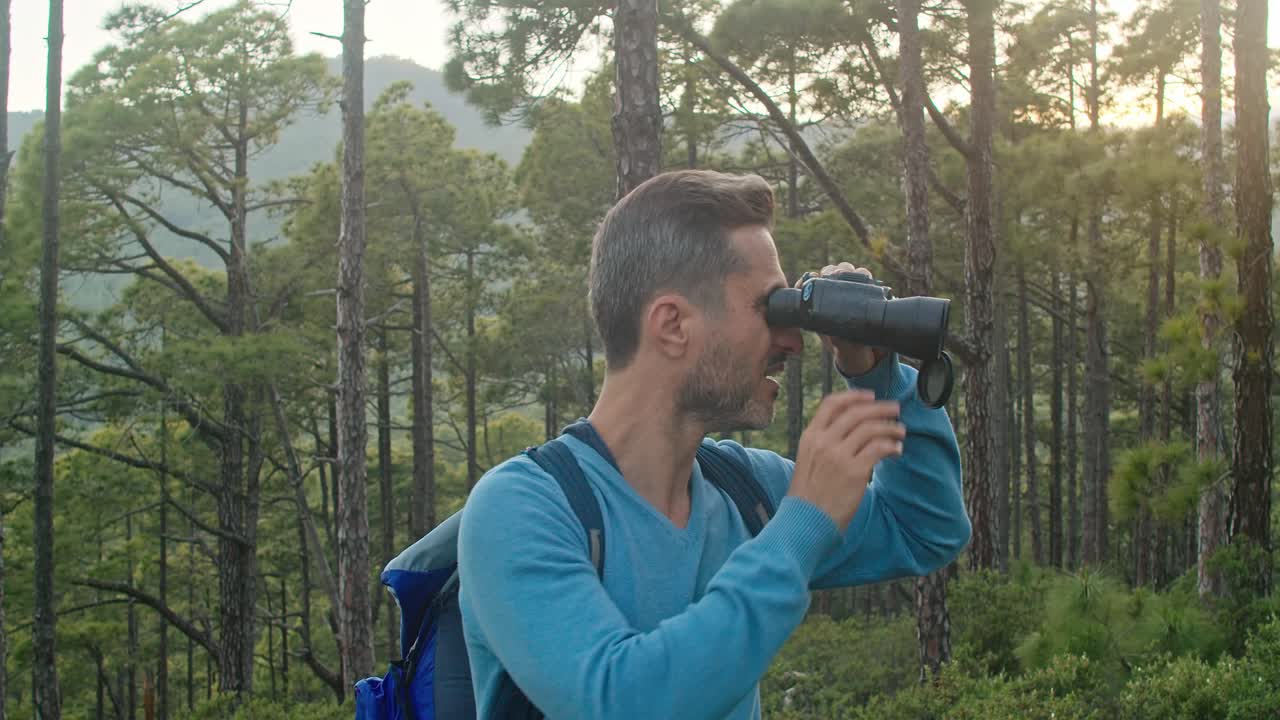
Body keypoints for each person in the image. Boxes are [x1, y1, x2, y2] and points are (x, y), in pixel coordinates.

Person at [457, 169, 970, 719]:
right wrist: (800, 528)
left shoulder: (745, 490)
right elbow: (623, 701)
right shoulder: (522, 508)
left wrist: (878, 378)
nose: (794, 341)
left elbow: (924, 530)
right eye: (769, 310)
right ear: (673, 324)